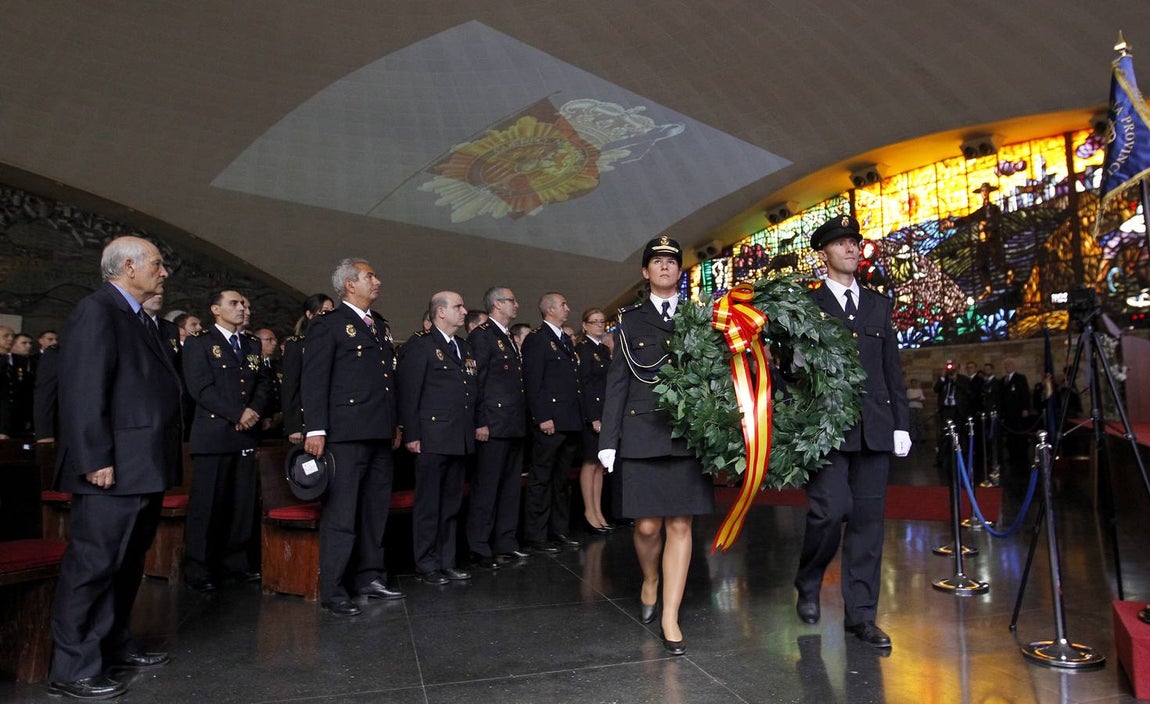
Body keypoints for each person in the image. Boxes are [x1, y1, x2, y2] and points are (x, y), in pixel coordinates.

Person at [48, 236, 182, 699]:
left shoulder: (138, 317)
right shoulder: (97, 310)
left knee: (126, 564)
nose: (164, 273)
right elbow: (84, 390)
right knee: (94, 564)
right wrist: (95, 458)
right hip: (112, 467)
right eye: (158, 264)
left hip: (142, 465)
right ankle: (73, 667)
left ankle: (113, 646)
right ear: (128, 266)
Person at [793, 215, 910, 649]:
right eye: (841, 244)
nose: (851, 249)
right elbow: (790, 369)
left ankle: (861, 616)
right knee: (829, 511)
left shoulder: (879, 304)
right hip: (826, 427)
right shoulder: (807, 305)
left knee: (867, 524)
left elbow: (891, 368)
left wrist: (901, 422)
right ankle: (808, 579)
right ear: (823, 254)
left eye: (855, 243)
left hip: (874, 428)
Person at [598, 235, 713, 656]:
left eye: (671, 261)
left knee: (680, 525)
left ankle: (670, 615)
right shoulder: (628, 322)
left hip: (688, 434)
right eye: (657, 261)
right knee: (647, 527)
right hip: (643, 433)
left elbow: (715, 379)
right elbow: (618, 385)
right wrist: (608, 440)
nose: (665, 266)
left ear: (679, 272)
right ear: (645, 272)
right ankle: (649, 578)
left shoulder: (699, 318)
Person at [302, 259, 404, 616]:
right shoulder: (329, 325)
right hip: (345, 434)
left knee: (375, 510)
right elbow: (315, 379)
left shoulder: (379, 325)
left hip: (378, 431)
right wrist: (316, 428)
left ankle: (369, 576)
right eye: (369, 276)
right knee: (342, 513)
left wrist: (395, 424)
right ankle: (333, 588)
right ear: (349, 284)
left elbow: (386, 381)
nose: (376, 281)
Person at [181, 290, 269, 592]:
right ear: (215, 309)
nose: (242, 308)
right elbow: (200, 388)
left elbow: (262, 383)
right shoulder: (200, 343)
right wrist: (237, 413)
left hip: (245, 434)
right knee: (208, 505)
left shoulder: (252, 344)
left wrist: (254, 410)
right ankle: (199, 567)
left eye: (244, 303)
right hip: (214, 434)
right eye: (235, 303)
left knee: (241, 504)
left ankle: (236, 564)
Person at [398, 291, 476, 584]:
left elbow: (470, 391)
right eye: (458, 306)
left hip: (458, 436)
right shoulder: (421, 346)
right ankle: (427, 562)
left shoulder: (463, 348)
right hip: (431, 436)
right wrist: (412, 434)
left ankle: (447, 559)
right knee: (429, 504)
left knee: (451, 503)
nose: (464, 311)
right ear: (440, 312)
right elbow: (410, 393)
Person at [465, 287, 530, 568]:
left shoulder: (507, 337)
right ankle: (479, 546)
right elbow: (476, 381)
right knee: (487, 488)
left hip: (513, 423)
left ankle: (506, 541)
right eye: (511, 300)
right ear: (496, 305)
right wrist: (480, 421)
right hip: (492, 424)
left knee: (510, 488)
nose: (516, 304)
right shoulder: (482, 336)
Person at [521, 291, 584, 552]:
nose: (567, 308)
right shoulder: (538, 339)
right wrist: (543, 416)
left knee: (561, 481)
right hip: (550, 421)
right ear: (549, 310)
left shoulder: (564, 340)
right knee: (542, 478)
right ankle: (537, 535)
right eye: (563, 305)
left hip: (569, 420)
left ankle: (559, 530)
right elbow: (534, 381)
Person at [575, 307, 613, 534]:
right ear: (585, 326)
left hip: (605, 411)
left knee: (600, 465)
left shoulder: (603, 349)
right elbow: (586, 386)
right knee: (590, 463)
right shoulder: (583, 349)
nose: (600, 325)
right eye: (595, 322)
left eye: (602, 322)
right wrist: (594, 417)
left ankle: (598, 511)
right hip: (593, 414)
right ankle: (589, 512)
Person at [281, 293, 334, 444]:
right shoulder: (297, 345)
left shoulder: (334, 343)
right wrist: (294, 426)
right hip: (307, 420)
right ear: (310, 314)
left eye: (332, 311)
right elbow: (290, 386)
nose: (329, 315)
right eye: (324, 311)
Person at [1000, 357, 1031, 475]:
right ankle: (1012, 454)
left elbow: (1025, 394)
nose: (1007, 367)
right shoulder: (1004, 380)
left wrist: (1025, 408)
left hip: (1018, 412)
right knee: (1010, 434)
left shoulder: (1020, 378)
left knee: (1020, 433)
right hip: (1007, 413)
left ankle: (1021, 455)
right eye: (1005, 365)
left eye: (1009, 365)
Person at [905, 379, 926, 443]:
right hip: (911, 408)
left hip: (918, 408)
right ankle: (913, 438)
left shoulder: (919, 390)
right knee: (912, 423)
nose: (914, 384)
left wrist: (914, 399)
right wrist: (916, 399)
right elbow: (907, 399)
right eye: (913, 383)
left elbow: (922, 399)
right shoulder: (908, 391)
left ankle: (922, 437)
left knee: (919, 423)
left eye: (915, 383)